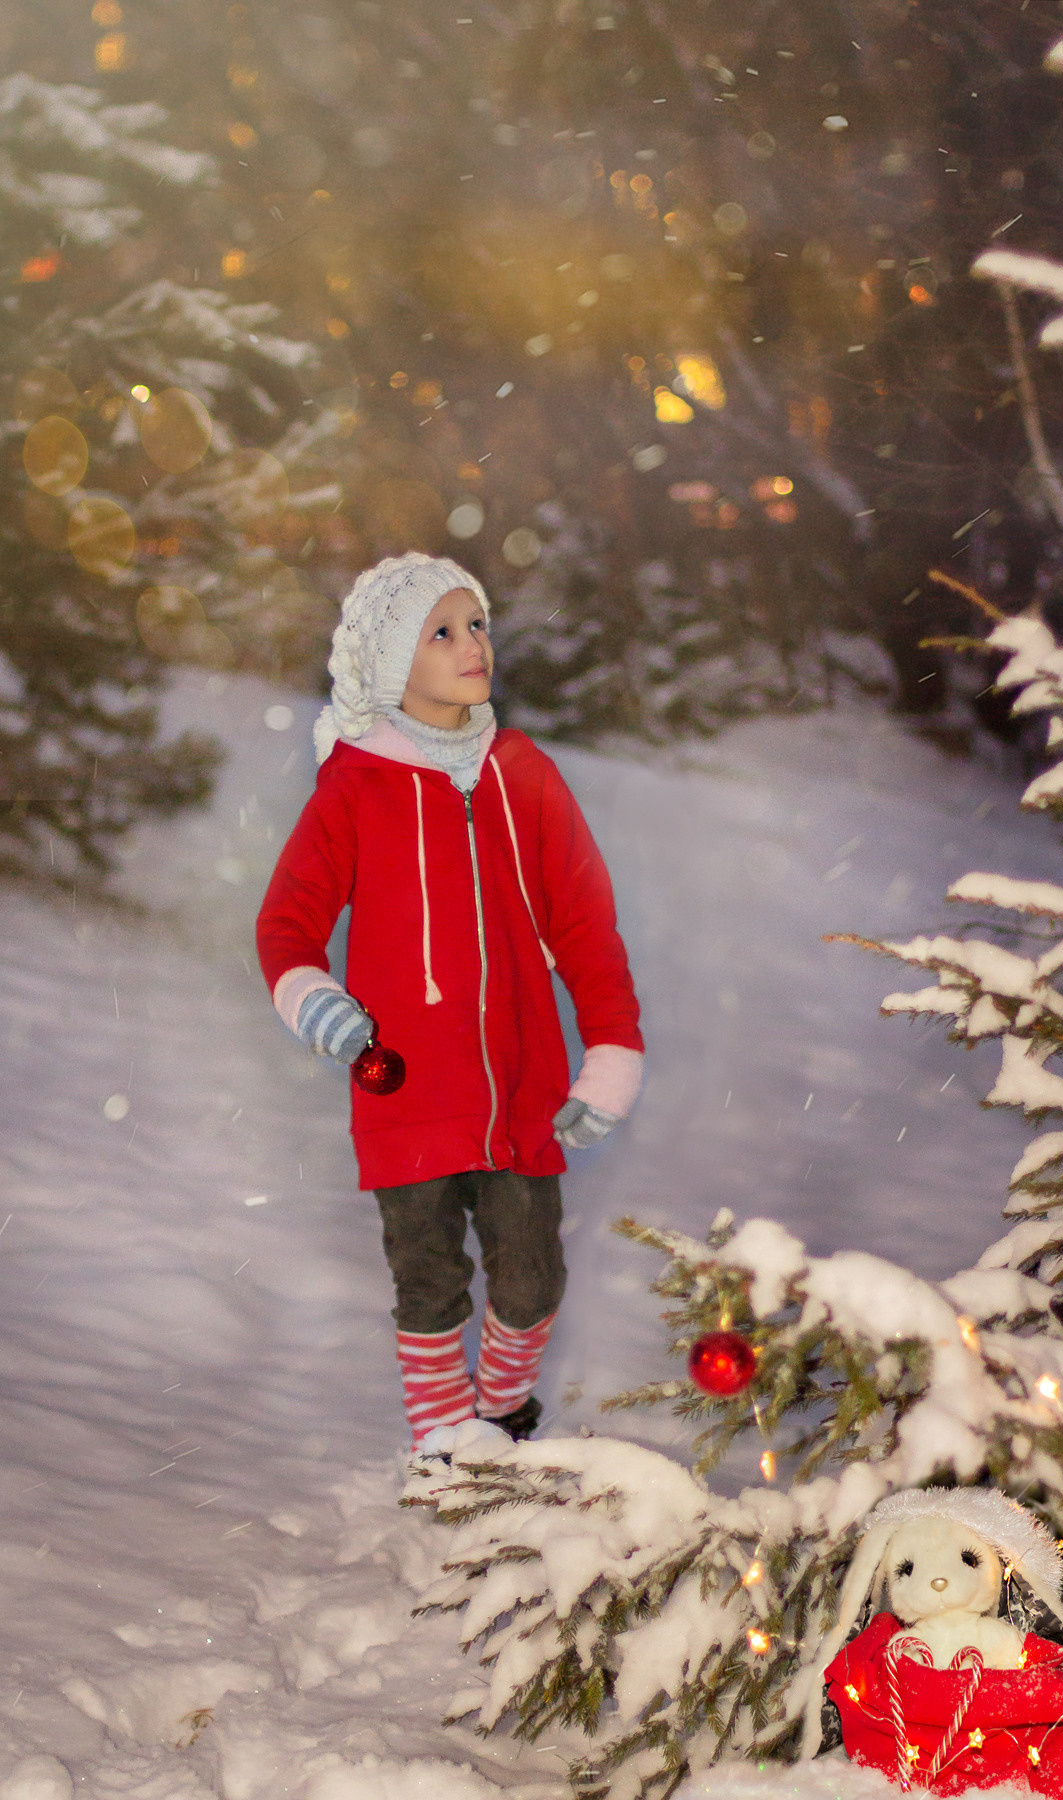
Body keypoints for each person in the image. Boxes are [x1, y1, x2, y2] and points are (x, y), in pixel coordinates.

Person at [256, 552, 644, 1449]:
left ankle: (501, 1413)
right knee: (427, 1283)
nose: (473, 646)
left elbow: (585, 924)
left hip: (521, 1084)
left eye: (478, 626)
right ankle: (444, 1453)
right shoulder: (355, 784)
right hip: (404, 1086)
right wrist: (314, 997)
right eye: (444, 632)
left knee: (531, 1279)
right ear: (396, 661)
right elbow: (288, 921)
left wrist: (611, 1050)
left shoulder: (526, 773)